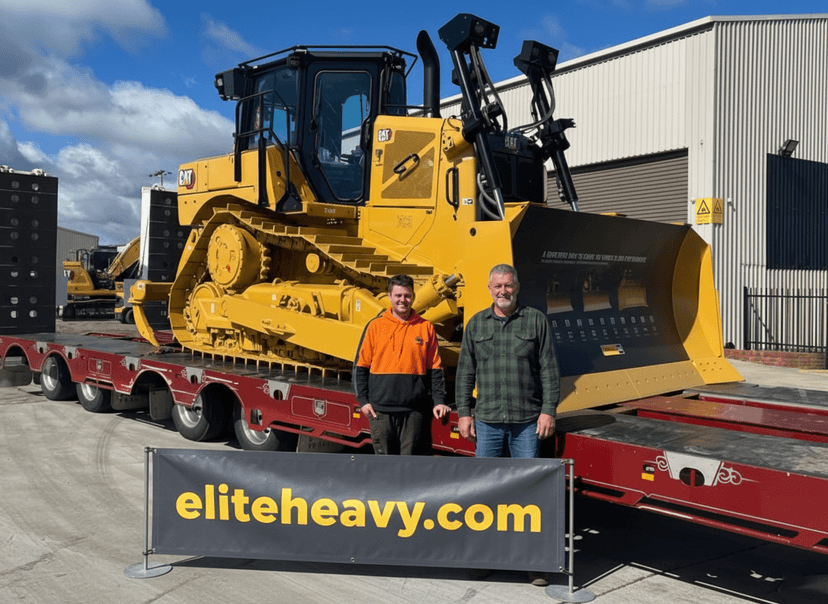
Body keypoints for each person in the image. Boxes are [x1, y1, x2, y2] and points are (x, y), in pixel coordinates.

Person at [455, 263, 560, 586]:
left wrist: (548, 411)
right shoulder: (476, 324)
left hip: (526, 423)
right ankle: (484, 557)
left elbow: (549, 370)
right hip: (487, 422)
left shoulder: (535, 321)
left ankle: (534, 563)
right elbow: (464, 373)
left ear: (517, 287)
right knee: (486, 493)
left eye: (508, 286)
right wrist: (463, 412)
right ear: (489, 289)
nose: (503, 291)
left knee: (529, 495)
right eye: (497, 286)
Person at [354, 274, 451, 455]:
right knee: (385, 466)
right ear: (390, 297)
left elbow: (435, 369)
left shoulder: (426, 327)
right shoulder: (375, 326)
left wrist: (439, 401)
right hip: (380, 410)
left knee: (410, 465)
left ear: (413, 297)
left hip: (414, 411)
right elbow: (361, 367)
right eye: (398, 295)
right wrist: (363, 401)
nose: (402, 300)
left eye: (407, 295)